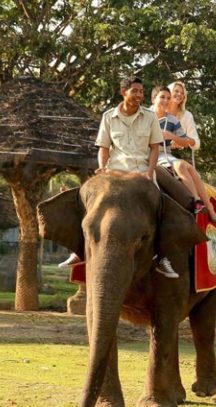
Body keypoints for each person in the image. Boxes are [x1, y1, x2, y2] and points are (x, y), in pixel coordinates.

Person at [93, 76, 178, 278]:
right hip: (114, 172)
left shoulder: (149, 117)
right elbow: (103, 148)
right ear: (124, 93)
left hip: (142, 172)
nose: (139, 95)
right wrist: (102, 168)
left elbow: (155, 148)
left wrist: (150, 172)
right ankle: (80, 250)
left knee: (162, 210)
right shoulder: (108, 117)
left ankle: (161, 256)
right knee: (87, 201)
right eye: (135, 91)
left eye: (141, 91)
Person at [151, 85, 216, 222]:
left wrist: (171, 136)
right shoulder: (145, 116)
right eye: (162, 97)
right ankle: (198, 201)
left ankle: (205, 206)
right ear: (153, 99)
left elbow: (185, 141)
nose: (165, 101)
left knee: (186, 166)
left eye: (167, 98)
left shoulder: (172, 119)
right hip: (150, 153)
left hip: (166, 154)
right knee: (181, 165)